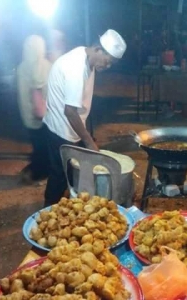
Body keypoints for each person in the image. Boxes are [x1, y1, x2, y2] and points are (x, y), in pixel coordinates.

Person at [43, 29, 127, 207]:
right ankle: (48, 211)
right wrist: (89, 141)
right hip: (61, 130)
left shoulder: (87, 57)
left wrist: (87, 135)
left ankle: (73, 205)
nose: (108, 66)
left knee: (77, 170)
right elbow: (70, 112)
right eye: (108, 61)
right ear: (98, 49)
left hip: (71, 127)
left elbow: (80, 104)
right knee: (59, 174)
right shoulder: (75, 67)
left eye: (111, 64)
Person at [17, 35, 52, 183]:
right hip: (41, 116)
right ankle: (37, 174)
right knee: (43, 147)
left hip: (27, 116)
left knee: (37, 144)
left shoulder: (22, 66)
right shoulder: (41, 66)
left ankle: (34, 171)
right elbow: (37, 89)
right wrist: (41, 112)